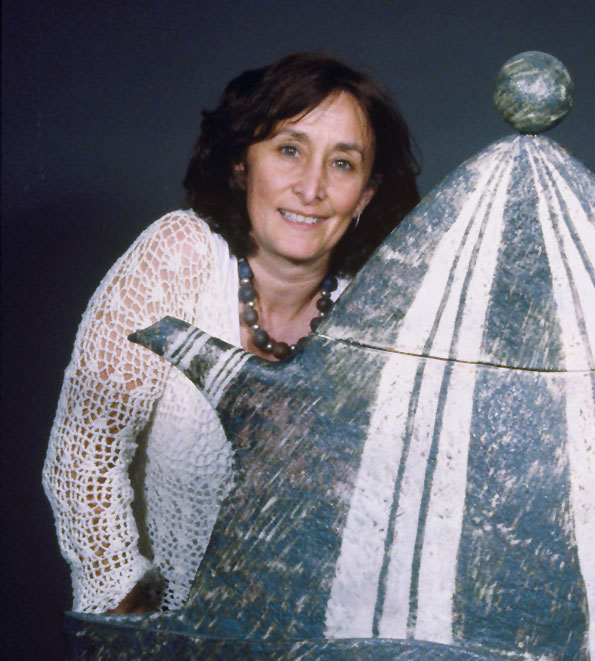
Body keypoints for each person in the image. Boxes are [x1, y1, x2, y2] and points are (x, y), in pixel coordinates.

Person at [42, 53, 420, 614]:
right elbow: (85, 454)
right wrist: (131, 621)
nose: (311, 187)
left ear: (365, 195)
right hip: (160, 629)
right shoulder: (180, 256)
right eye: (289, 150)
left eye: (342, 164)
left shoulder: (380, 312)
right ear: (243, 164)